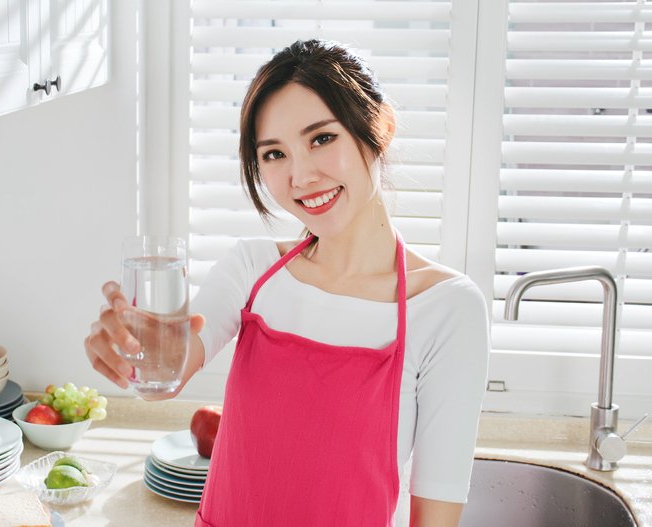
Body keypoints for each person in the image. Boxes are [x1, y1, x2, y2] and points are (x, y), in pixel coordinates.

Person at [84, 39, 489, 527]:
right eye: (274, 154)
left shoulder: (446, 308)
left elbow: (437, 515)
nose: (301, 176)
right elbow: (168, 369)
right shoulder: (252, 270)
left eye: (321, 139)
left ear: (379, 127)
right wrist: (133, 349)